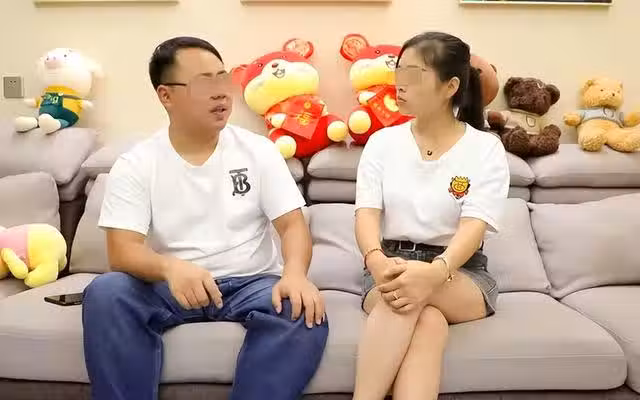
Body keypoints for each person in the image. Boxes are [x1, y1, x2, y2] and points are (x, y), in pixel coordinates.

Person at [82, 36, 329, 400]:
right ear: (166, 96)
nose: (220, 93)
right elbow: (122, 251)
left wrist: (294, 275)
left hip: (250, 282)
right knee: (107, 292)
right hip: (170, 287)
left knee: (301, 309)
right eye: (203, 83)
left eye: (222, 79)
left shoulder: (258, 150)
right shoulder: (137, 163)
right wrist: (170, 268)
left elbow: (292, 224)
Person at [353, 32, 510, 399]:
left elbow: (474, 226)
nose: (400, 83)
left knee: (407, 300)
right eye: (399, 71)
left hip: (461, 273)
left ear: (450, 86)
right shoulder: (382, 142)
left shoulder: (485, 149)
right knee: (425, 318)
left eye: (414, 74)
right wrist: (376, 260)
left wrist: (435, 272)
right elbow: (366, 214)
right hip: (388, 264)